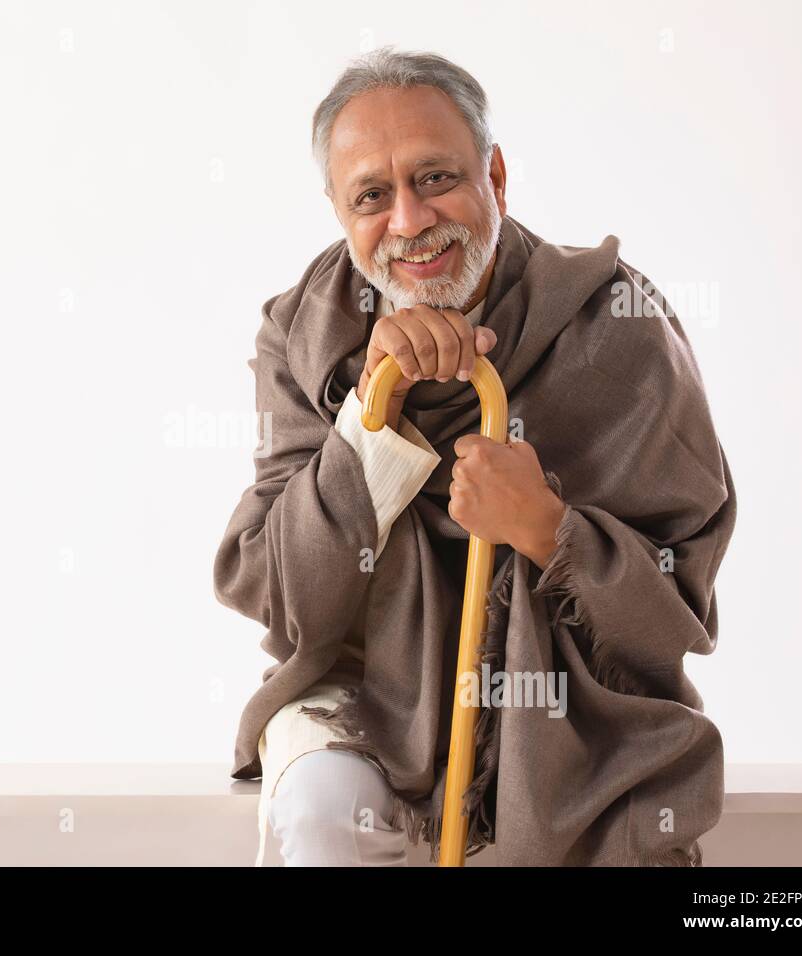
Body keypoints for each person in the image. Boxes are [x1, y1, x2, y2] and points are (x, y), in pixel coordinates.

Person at [213, 46, 737, 867]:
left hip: (569, 709)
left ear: (494, 176)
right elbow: (280, 594)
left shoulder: (618, 322)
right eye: (373, 196)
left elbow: (676, 615)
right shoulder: (304, 334)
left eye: (435, 178)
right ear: (339, 211)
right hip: (363, 696)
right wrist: (373, 422)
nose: (411, 222)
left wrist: (551, 531)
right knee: (319, 814)